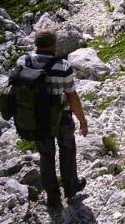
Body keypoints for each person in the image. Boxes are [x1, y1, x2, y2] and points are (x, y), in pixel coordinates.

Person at [16, 30, 88, 210]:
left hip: (36, 118)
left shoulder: (23, 61)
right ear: (54, 44)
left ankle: (53, 198)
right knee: (67, 150)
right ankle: (71, 188)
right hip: (61, 116)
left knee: (46, 156)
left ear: (37, 43)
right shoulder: (63, 66)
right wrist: (82, 120)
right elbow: (72, 96)